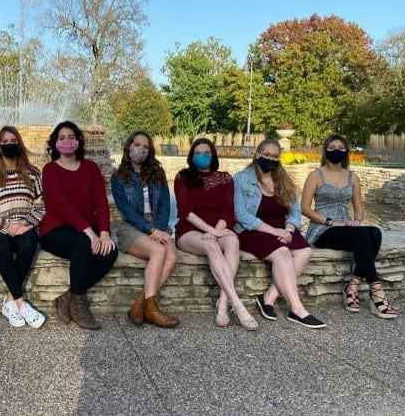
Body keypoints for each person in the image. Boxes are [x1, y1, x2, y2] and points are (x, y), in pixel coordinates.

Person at [234, 137, 326, 329]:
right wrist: (274, 231)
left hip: (282, 228)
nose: (270, 159)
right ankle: (297, 309)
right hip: (253, 229)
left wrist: (288, 229)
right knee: (283, 252)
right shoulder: (242, 178)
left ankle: (269, 296)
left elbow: (295, 211)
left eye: (275, 156)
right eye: (266, 155)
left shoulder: (284, 179)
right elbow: (240, 214)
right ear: (256, 154)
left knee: (304, 251)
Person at [301, 134, 397, 318]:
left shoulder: (353, 177)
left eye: (340, 147)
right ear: (325, 151)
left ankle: (352, 286)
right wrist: (330, 221)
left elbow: (359, 209)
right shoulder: (315, 175)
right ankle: (377, 292)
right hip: (322, 228)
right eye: (332, 147)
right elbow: (304, 208)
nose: (336, 150)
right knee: (361, 236)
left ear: (346, 152)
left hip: (347, 227)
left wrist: (357, 220)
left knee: (374, 232)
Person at [39, 121, 117, 330]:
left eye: (71, 137)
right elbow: (62, 205)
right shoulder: (50, 170)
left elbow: (101, 201)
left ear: (78, 141)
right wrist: (90, 233)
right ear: (55, 144)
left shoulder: (90, 168)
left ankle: (68, 297)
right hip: (54, 230)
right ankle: (80, 304)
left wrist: (104, 233)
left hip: (86, 230)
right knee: (84, 245)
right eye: (61, 138)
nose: (67, 142)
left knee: (110, 251)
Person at [174, 138, 257, 331]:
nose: (203, 156)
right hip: (190, 230)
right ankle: (238, 305)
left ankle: (222, 302)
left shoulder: (225, 178)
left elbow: (228, 209)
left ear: (213, 155)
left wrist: (218, 230)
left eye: (207, 153)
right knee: (211, 245)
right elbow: (185, 210)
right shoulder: (183, 177)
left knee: (233, 241)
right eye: (198, 153)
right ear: (192, 156)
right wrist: (211, 232)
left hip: (219, 227)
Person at [0, 126, 46, 329]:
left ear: (19, 144)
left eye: (13, 141)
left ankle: (9, 301)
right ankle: (21, 303)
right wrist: (7, 227)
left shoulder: (33, 174)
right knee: (2, 248)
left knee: (29, 244)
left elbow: (41, 208)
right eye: (4, 142)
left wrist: (24, 224)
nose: (9, 145)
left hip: (24, 227)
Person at [111, 130, 179, 328]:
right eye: (137, 145)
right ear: (129, 146)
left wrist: (160, 228)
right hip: (132, 226)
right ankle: (153, 308)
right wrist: (150, 231)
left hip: (158, 224)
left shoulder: (157, 173)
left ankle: (141, 305)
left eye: (146, 147)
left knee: (172, 256)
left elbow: (166, 204)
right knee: (159, 251)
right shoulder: (119, 177)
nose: (141, 149)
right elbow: (126, 210)